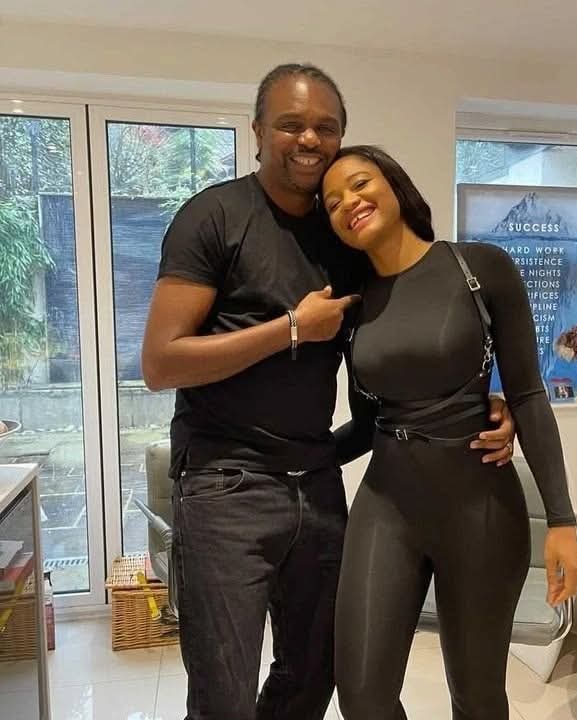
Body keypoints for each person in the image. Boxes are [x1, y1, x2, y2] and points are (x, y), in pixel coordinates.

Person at [141, 64, 516, 720]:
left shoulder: (343, 237)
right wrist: (291, 328)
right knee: (225, 695)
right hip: (226, 485)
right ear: (258, 131)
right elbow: (160, 362)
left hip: (317, 482)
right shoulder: (214, 215)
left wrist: (487, 398)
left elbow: (420, 323)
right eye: (291, 124)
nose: (309, 138)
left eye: (326, 126)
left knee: (315, 678)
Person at [322, 145, 577, 720]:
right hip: (386, 506)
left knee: (478, 698)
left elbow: (527, 395)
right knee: (362, 697)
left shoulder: (479, 268)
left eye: (360, 184)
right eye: (333, 202)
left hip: (480, 509)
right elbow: (367, 424)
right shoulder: (354, 305)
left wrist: (562, 520)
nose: (349, 203)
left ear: (395, 184)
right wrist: (295, 457)